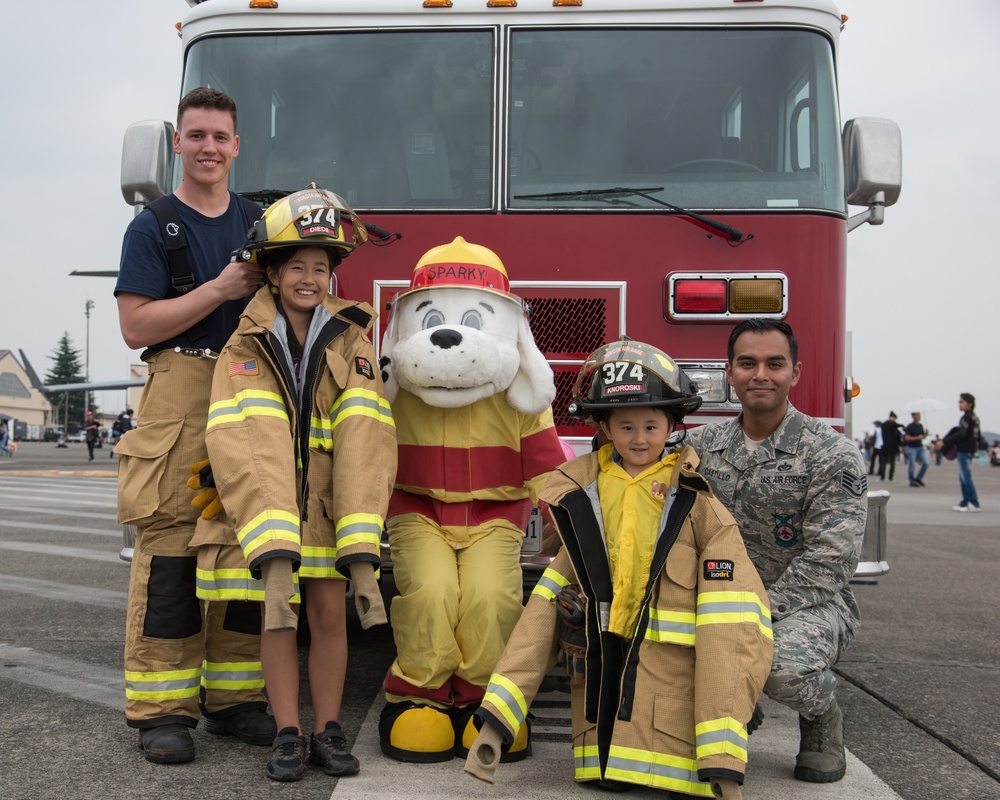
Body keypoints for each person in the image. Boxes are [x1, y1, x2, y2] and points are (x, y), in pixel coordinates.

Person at [464, 338, 773, 800]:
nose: (640, 438)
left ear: (673, 425)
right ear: (604, 428)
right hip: (599, 683)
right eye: (626, 426)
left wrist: (723, 761)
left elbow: (733, 632)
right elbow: (539, 619)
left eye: (652, 425)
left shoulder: (697, 506)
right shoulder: (583, 497)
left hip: (671, 685)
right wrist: (495, 725)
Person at [190, 187, 396, 781]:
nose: (311, 278)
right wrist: (274, 543)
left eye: (321, 268)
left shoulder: (354, 340)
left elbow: (366, 440)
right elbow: (245, 441)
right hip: (272, 513)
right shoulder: (244, 344)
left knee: (331, 620)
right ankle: (287, 732)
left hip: (332, 511)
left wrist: (360, 547)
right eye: (297, 267)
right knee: (277, 619)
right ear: (273, 273)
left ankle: (327, 731)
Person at [114, 87, 274, 765]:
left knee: (245, 545)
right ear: (178, 143)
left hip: (249, 389)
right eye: (197, 135)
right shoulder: (153, 226)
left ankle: (236, 698)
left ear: (237, 147)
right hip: (179, 389)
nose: (209, 147)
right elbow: (134, 326)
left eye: (220, 137)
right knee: (173, 548)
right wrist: (216, 290)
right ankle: (162, 710)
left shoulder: (260, 223)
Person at [683, 319, 867, 784]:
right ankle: (737, 709)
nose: (760, 374)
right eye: (747, 363)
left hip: (807, 604)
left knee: (780, 666)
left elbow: (831, 560)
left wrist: (754, 613)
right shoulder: (699, 446)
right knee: (660, 650)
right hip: (717, 596)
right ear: (729, 371)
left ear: (795, 373)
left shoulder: (830, 453)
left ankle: (823, 715)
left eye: (774, 364)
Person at [937, 393, 982, 512]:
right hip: (970, 450)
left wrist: (944, 441)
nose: (959, 404)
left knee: (966, 477)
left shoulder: (966, 418)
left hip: (964, 450)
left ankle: (974, 502)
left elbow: (962, 433)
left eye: (962, 402)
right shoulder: (975, 418)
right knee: (963, 477)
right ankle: (965, 502)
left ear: (970, 404)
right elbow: (978, 436)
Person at [904, 411, 930, 487]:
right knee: (912, 465)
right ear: (913, 416)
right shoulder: (910, 426)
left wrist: (926, 433)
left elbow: (923, 437)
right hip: (912, 448)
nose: (919, 416)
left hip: (920, 447)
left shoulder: (920, 425)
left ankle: (918, 478)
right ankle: (911, 480)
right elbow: (907, 438)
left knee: (926, 463)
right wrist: (917, 437)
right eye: (917, 415)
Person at [878, 411, 903, 481]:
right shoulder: (893, 425)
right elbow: (895, 425)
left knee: (883, 462)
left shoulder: (884, 425)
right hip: (893, 446)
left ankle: (882, 476)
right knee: (892, 462)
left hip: (885, 446)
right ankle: (890, 477)